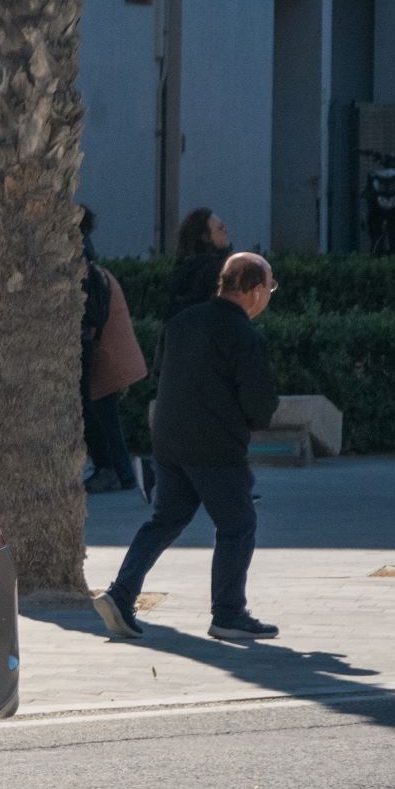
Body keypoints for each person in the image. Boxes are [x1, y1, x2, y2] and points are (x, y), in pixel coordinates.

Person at [93, 252, 280, 644]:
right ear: (254, 290)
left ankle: (121, 594)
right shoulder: (243, 335)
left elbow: (163, 374)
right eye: (269, 288)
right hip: (215, 447)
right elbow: (259, 405)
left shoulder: (181, 323)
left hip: (169, 441)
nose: (268, 296)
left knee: (166, 520)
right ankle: (228, 614)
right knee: (237, 525)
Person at [78, 209, 141, 493]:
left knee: (100, 417)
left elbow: (93, 316)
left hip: (100, 354)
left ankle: (112, 469)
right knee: (104, 417)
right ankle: (121, 472)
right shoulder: (89, 260)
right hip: (106, 352)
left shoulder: (84, 265)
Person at [168, 208, 231, 317]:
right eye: (220, 228)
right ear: (206, 237)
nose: (225, 231)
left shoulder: (182, 268)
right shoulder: (214, 270)